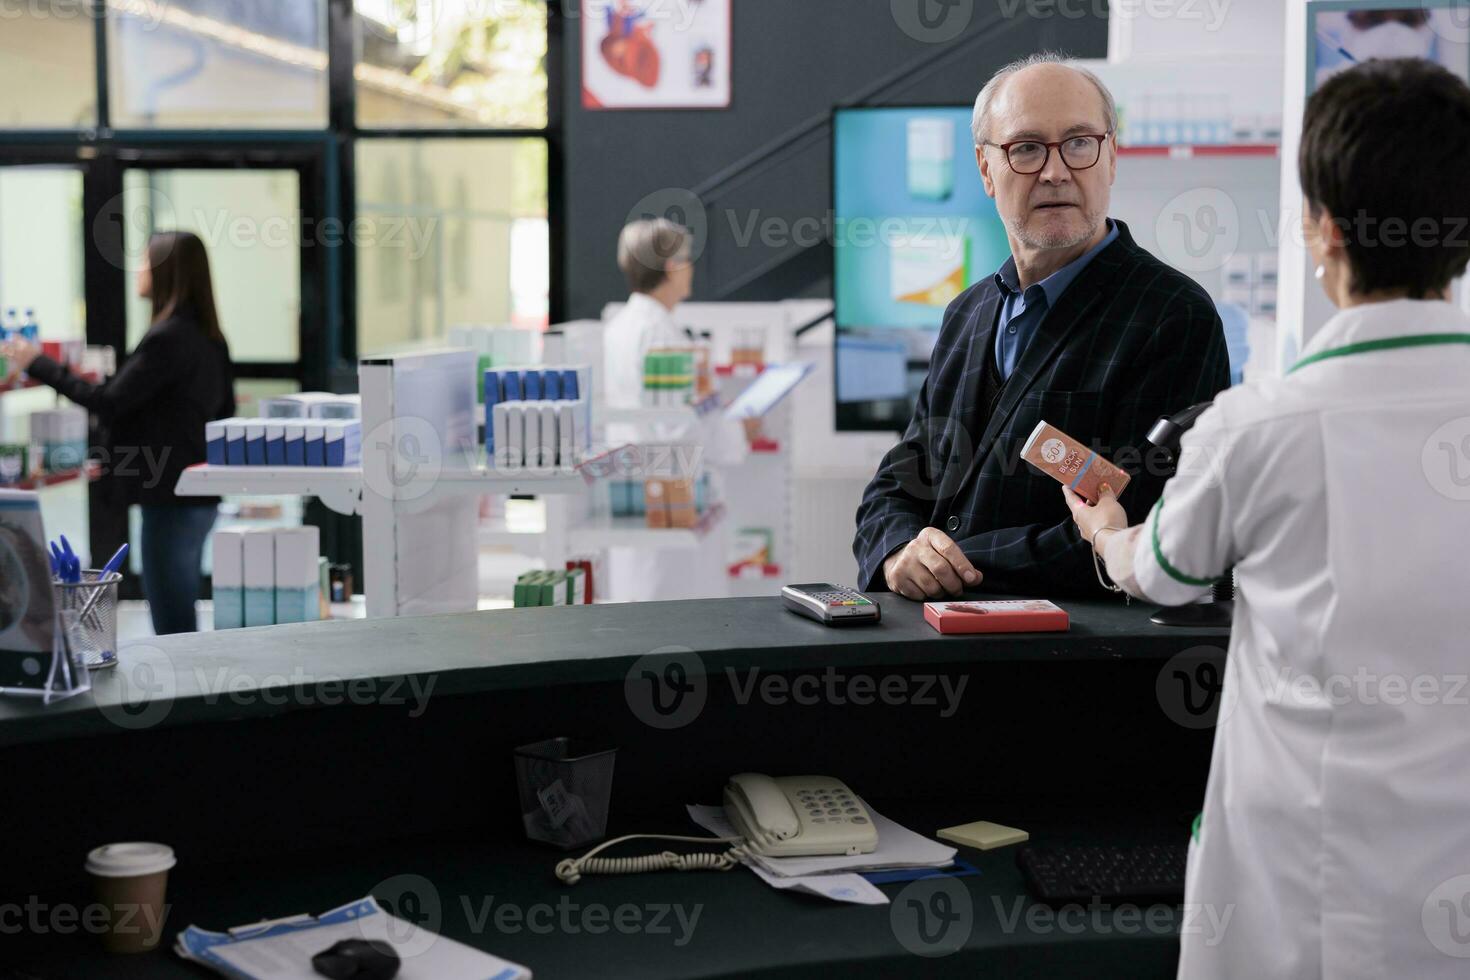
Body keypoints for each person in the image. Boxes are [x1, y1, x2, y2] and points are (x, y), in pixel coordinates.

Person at [1065, 58, 1470, 978]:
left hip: (1302, 891)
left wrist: (1104, 527)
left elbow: (1156, 570)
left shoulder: (1258, 424)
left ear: (1322, 230)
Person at [853, 52, 1230, 602]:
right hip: (938, 654)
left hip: (1072, 664)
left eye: (1079, 143)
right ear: (986, 170)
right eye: (1026, 149)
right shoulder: (968, 314)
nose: (1056, 171)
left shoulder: (1171, 316)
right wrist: (896, 551)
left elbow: (1144, 530)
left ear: (1111, 158)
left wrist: (948, 565)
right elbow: (901, 481)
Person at [2, 231, 235, 635]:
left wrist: (38, 363)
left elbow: (108, 401)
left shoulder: (167, 339)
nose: (139, 270)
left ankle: (184, 695)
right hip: (197, 495)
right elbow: (221, 407)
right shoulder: (208, 337)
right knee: (179, 608)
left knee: (173, 622)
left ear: (166, 273)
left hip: (171, 499)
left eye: (146, 261)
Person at [602, 218, 751, 602]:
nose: (691, 268)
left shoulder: (621, 326)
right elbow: (676, 430)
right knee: (673, 623)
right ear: (671, 266)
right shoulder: (658, 334)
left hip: (641, 499)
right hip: (668, 507)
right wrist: (736, 431)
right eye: (686, 258)